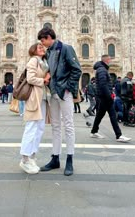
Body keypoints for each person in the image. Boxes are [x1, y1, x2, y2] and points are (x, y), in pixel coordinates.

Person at [38, 27, 82, 176]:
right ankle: (55, 158)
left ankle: (70, 159)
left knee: (68, 125)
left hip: (64, 92)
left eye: (43, 40)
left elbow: (77, 69)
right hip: (53, 93)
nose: (42, 44)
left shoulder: (66, 49)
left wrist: (68, 87)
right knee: (55, 126)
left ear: (49, 37)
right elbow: (51, 70)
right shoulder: (49, 52)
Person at [19, 43, 50, 174]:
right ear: (34, 51)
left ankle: (32, 156)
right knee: (31, 127)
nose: (42, 48)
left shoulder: (44, 62)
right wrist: (44, 80)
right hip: (34, 98)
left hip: (42, 97)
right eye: (39, 47)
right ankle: (24, 159)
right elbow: (30, 78)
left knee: (40, 127)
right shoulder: (33, 61)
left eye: (43, 47)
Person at [90, 55, 131, 142]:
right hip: (105, 97)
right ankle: (118, 135)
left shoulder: (102, 69)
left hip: (103, 96)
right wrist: (109, 96)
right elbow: (103, 84)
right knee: (112, 115)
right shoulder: (102, 70)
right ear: (106, 60)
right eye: (109, 59)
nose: (110, 61)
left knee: (100, 115)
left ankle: (94, 131)